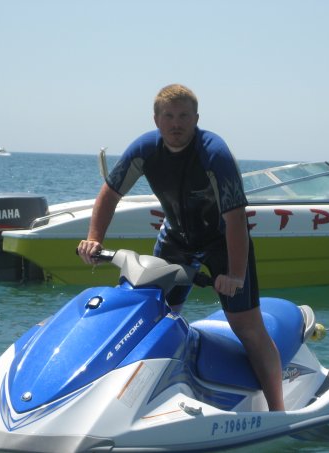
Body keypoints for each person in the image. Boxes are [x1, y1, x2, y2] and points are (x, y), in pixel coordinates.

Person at [77, 84, 285, 411]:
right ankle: (139, 401)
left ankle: (278, 411)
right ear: (156, 120)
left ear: (196, 119)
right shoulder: (145, 149)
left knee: (247, 327)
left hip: (222, 242)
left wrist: (235, 274)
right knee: (155, 316)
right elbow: (110, 193)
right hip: (176, 239)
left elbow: (235, 219)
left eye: (184, 116)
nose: (176, 123)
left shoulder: (213, 154)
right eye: (169, 116)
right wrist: (94, 239)